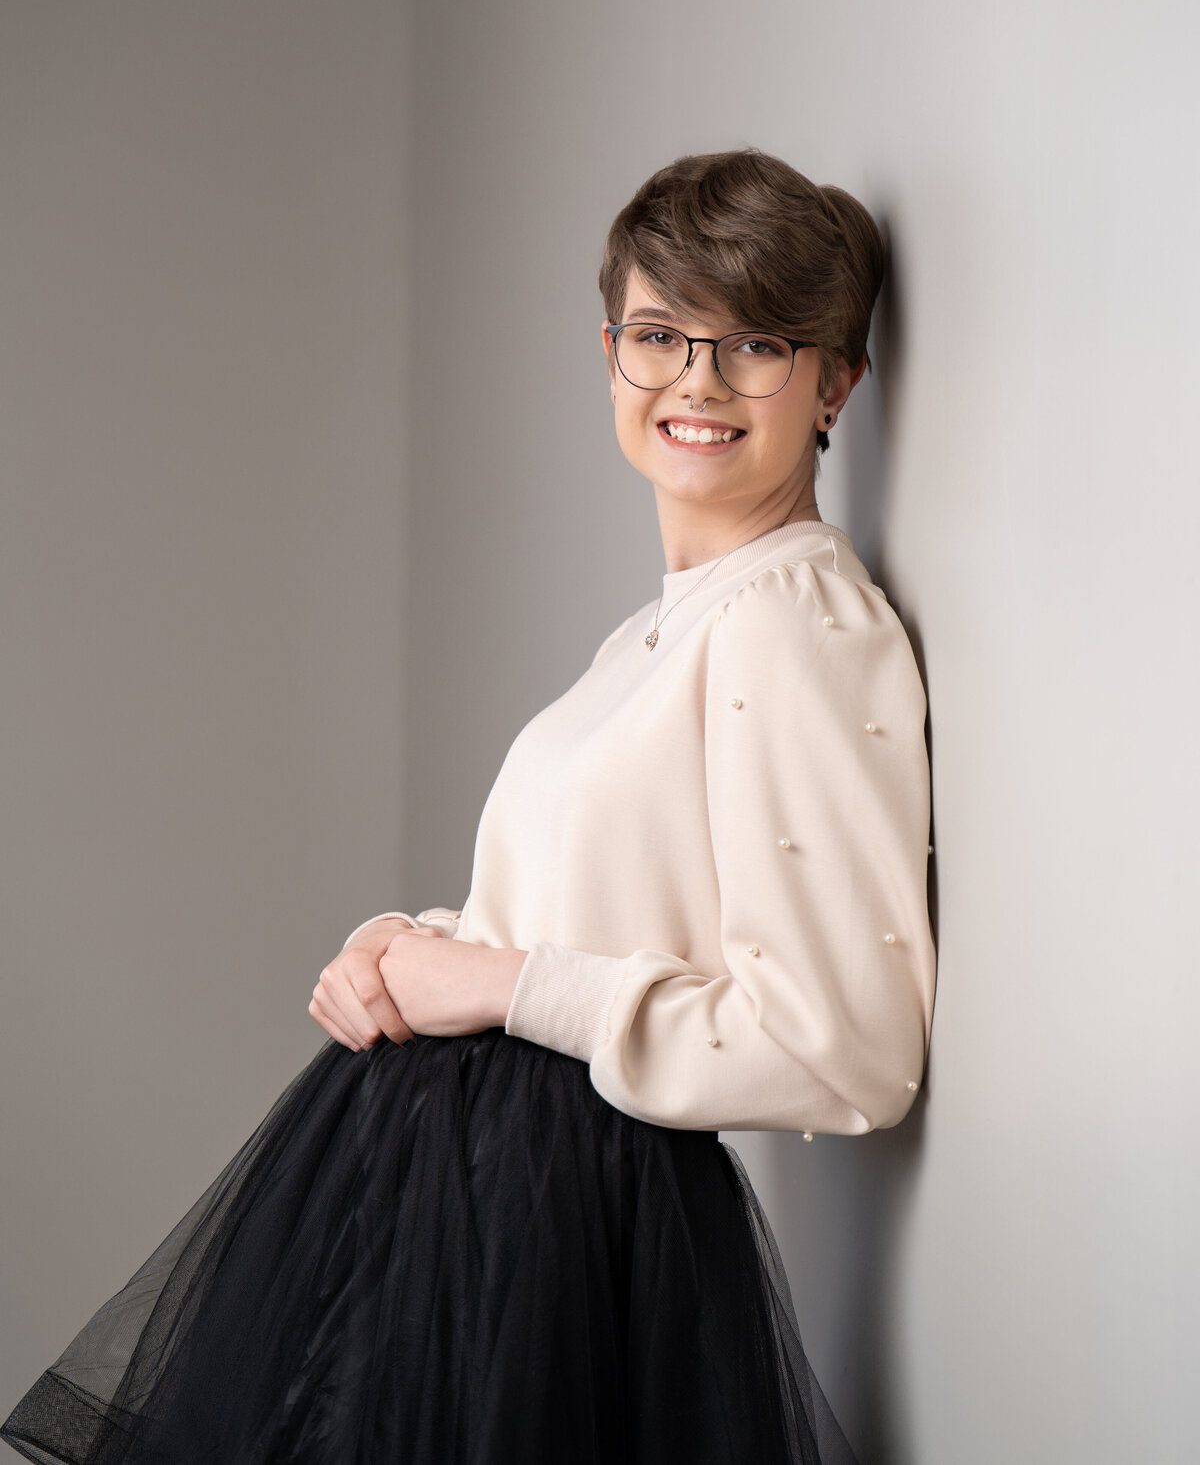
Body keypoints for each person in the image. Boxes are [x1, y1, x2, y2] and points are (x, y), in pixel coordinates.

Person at [1, 148, 936, 1465]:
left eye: (757, 347)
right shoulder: (659, 635)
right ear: (609, 348)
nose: (696, 385)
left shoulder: (794, 629)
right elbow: (576, 910)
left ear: (836, 381)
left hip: (558, 1244)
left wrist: (497, 988)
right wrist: (405, 948)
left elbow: (844, 1050)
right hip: (463, 1214)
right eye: (660, 335)